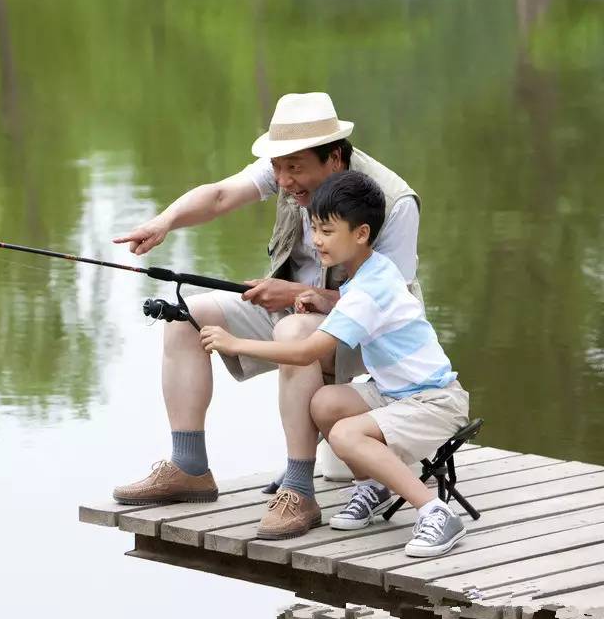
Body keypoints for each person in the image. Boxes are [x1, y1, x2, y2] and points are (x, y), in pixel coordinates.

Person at [111, 92, 422, 539]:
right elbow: (219, 196)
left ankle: (298, 490)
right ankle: (189, 467)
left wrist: (295, 293)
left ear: (333, 158)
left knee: (295, 329)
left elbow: (390, 305)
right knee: (184, 315)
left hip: (371, 337)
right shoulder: (288, 169)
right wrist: (164, 222)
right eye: (278, 167)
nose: (284, 179)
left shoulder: (393, 202)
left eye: (294, 168)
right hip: (292, 312)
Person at [199, 171, 470, 556]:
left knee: (344, 434)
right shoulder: (370, 271)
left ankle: (436, 512)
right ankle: (374, 485)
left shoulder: (369, 288)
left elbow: (306, 352)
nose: (316, 240)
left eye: (326, 231)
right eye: (313, 228)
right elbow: (355, 302)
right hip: (397, 394)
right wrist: (324, 300)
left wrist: (235, 342)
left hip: (435, 403)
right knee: (324, 404)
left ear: (360, 234)